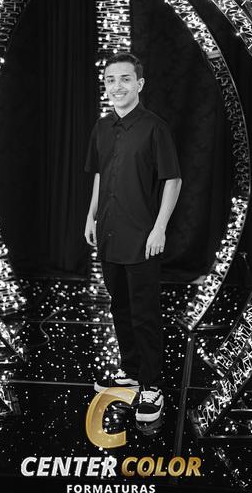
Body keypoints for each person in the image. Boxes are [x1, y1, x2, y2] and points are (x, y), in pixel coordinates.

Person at [84, 51, 182, 423]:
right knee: (119, 307)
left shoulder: (155, 128)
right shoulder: (101, 127)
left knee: (144, 313)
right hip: (109, 233)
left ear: (139, 84)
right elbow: (99, 175)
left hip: (142, 236)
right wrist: (91, 216)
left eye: (125, 79)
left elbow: (173, 179)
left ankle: (152, 385)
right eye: (110, 80)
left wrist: (159, 227)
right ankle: (131, 371)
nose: (117, 86)